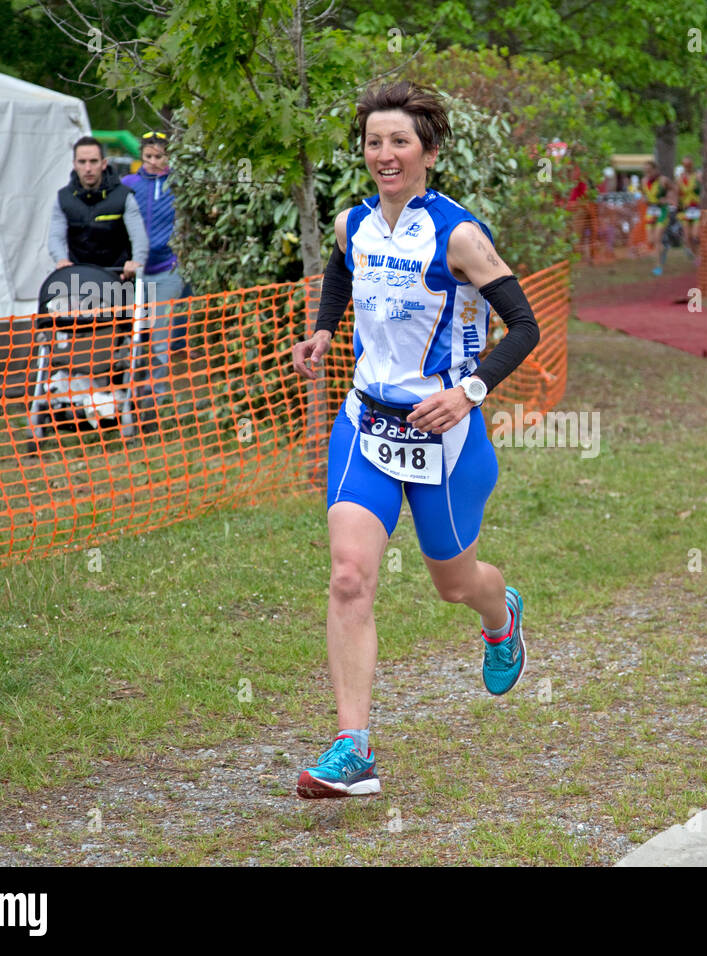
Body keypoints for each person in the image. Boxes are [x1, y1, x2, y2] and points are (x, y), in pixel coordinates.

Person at [289, 81, 541, 796]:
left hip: (446, 437)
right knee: (348, 576)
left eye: (400, 140)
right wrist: (324, 329)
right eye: (374, 141)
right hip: (367, 421)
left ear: (429, 151)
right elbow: (342, 271)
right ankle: (353, 748)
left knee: (453, 584)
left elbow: (524, 326)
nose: (385, 154)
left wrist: (468, 393)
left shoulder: (459, 235)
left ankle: (501, 615)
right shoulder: (353, 224)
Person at [120, 131, 184, 396]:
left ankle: (156, 397)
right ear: (141, 156)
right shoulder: (128, 183)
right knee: (130, 336)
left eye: (159, 156)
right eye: (148, 156)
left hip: (166, 269)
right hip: (134, 273)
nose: (153, 162)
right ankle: (125, 392)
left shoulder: (178, 185)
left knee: (159, 338)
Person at [48, 136, 147, 281]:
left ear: (104, 163)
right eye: (82, 162)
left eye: (93, 161)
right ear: (75, 164)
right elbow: (55, 237)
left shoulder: (124, 196)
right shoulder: (63, 198)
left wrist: (136, 262)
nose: (88, 168)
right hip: (78, 279)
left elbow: (139, 237)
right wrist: (61, 259)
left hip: (118, 277)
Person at [642, 160, 676, 273]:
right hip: (650, 211)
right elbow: (644, 194)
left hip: (662, 211)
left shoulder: (663, 180)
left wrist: (669, 200)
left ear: (656, 170)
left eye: (650, 171)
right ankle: (664, 248)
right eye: (646, 171)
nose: (648, 173)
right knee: (650, 241)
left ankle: (658, 266)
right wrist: (645, 199)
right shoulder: (644, 181)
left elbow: (674, 189)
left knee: (657, 238)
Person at [677, 156, 702, 254]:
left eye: (689, 165)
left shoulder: (698, 176)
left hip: (697, 208)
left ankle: (700, 254)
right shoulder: (680, 178)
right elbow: (678, 193)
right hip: (686, 209)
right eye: (685, 165)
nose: (687, 166)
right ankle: (695, 255)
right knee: (687, 236)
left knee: (695, 235)